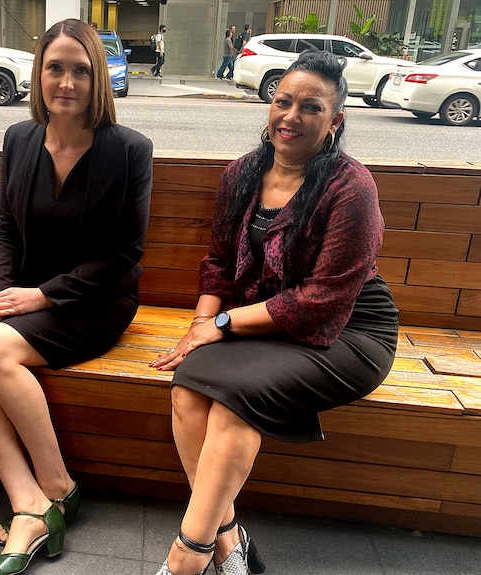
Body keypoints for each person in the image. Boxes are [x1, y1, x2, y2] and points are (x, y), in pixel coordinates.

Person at [149, 49, 398, 575]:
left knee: (234, 400)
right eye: (283, 101)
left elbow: (321, 301)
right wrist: (199, 327)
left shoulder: (351, 187)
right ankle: (231, 543)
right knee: (189, 386)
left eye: (310, 107)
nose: (291, 116)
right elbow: (218, 263)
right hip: (266, 320)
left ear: (335, 121)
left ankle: (186, 556)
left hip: (348, 332)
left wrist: (222, 324)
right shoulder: (243, 173)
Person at [0, 18, 152, 575]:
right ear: (38, 74)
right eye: (54, 68)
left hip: (97, 300)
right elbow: (6, 227)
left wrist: (41, 296)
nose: (66, 82)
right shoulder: (19, 138)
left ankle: (59, 488)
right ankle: (27, 501)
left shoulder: (129, 150)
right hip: (22, 300)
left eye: (80, 70)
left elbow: (125, 255)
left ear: (97, 78)